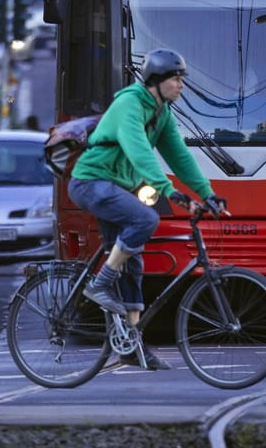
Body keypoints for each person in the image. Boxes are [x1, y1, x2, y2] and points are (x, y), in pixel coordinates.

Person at [69, 48, 226, 371]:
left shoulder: (162, 113)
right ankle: (99, 284)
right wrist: (168, 190)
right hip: (91, 182)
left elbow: (179, 157)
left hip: (116, 187)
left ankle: (130, 344)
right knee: (145, 218)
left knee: (134, 263)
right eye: (176, 78)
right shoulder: (129, 103)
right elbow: (138, 151)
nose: (181, 85)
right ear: (156, 80)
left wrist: (208, 194)